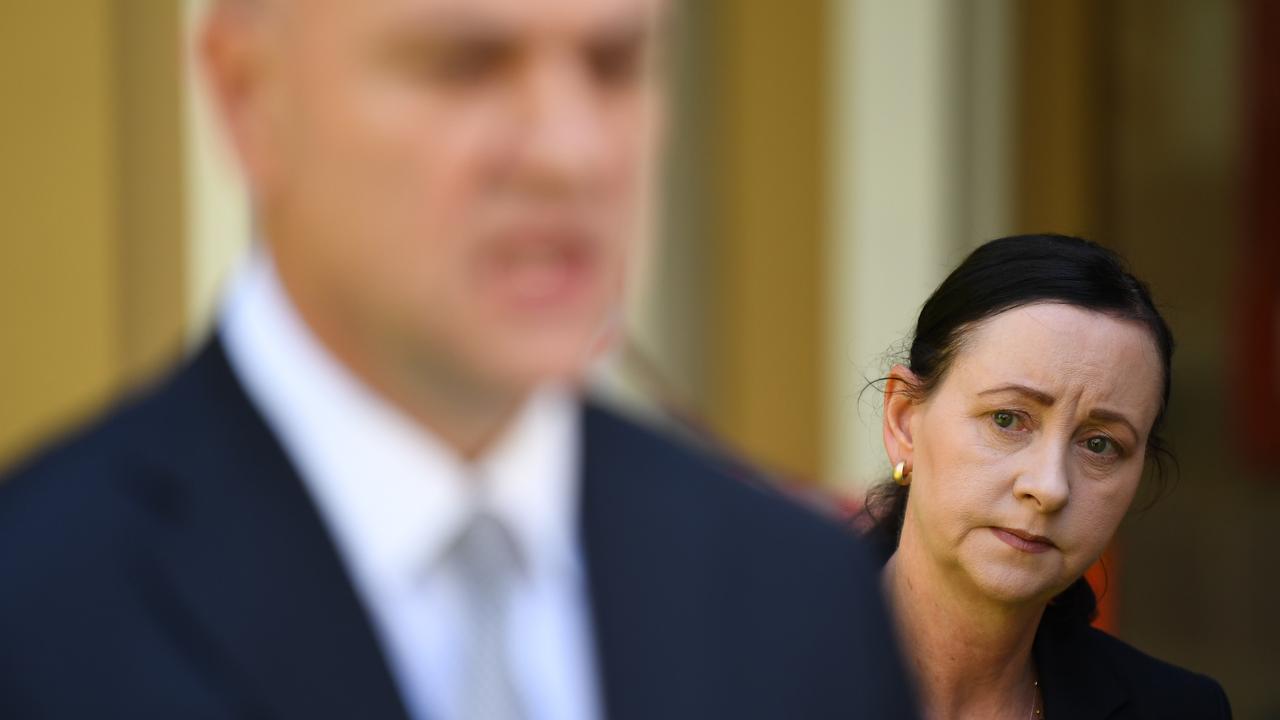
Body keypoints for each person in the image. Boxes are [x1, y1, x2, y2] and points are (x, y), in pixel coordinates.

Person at [0, 1, 915, 718]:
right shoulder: (37, 613)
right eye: (465, 65)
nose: (571, 152)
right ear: (248, 93)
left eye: (614, 63)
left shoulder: (798, 601)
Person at [863, 234, 1231, 719]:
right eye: (1007, 419)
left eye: (1100, 445)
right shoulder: (745, 670)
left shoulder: (1180, 710)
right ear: (905, 420)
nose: (1050, 486)